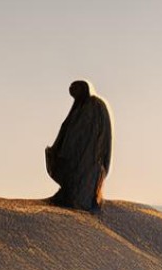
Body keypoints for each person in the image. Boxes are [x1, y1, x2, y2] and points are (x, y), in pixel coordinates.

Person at [46, 80, 112, 211]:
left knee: (83, 182)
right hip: (76, 154)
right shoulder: (78, 108)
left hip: (90, 154)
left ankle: (81, 202)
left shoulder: (95, 105)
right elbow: (68, 130)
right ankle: (71, 199)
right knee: (73, 180)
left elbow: (95, 131)